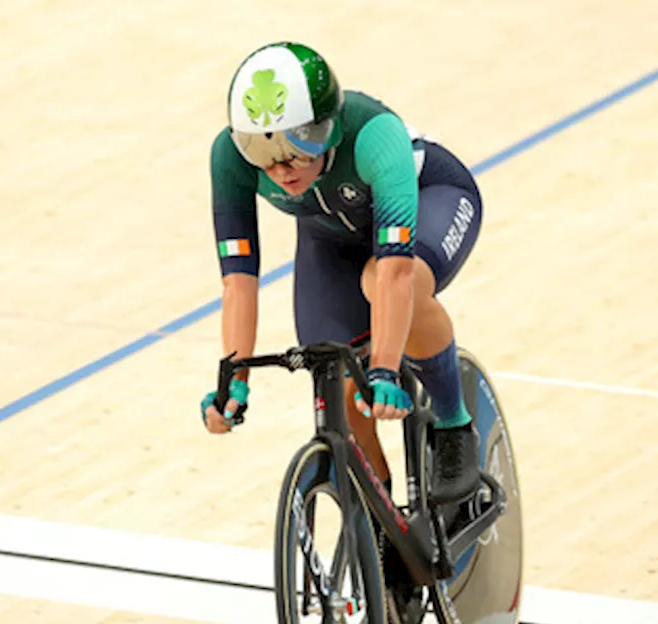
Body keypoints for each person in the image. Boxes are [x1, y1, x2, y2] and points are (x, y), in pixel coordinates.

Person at [200, 41, 483, 505]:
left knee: (386, 281)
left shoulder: (373, 135)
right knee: (333, 377)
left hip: (433, 201)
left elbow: (394, 274)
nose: (280, 168)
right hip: (331, 240)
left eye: (298, 147)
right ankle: (381, 528)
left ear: (328, 130)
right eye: (261, 152)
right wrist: (234, 380)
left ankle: (454, 425)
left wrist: (387, 370)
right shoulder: (228, 158)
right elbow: (238, 281)